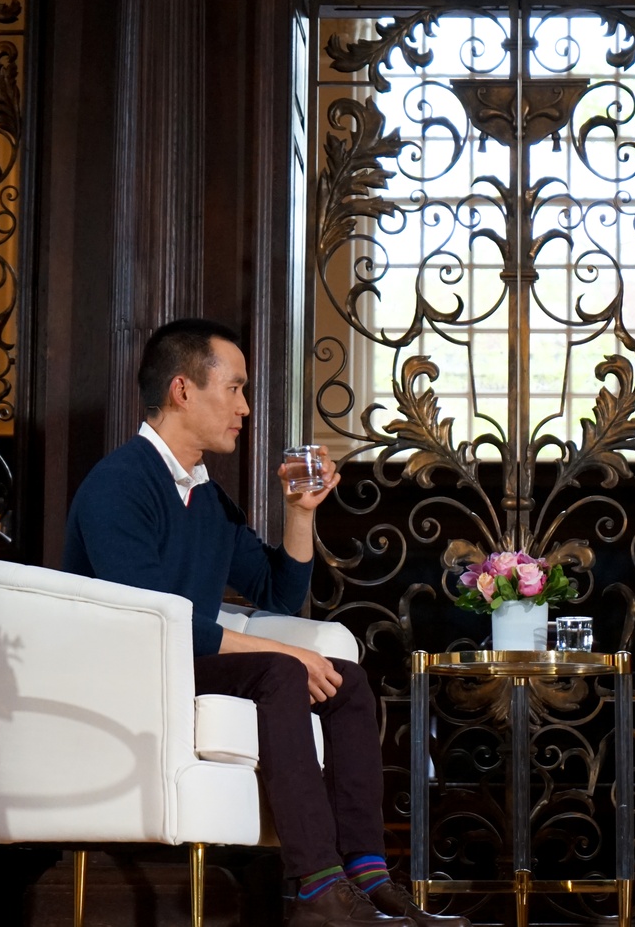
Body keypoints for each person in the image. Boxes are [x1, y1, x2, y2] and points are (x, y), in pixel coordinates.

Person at [64, 319, 471, 927]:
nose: (245, 408)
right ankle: (316, 890)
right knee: (284, 674)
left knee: (347, 682)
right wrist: (278, 655)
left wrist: (299, 512)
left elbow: (279, 594)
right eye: (234, 389)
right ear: (183, 390)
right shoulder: (118, 485)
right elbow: (149, 615)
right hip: (130, 668)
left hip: (184, 662)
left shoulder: (206, 497)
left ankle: (367, 876)